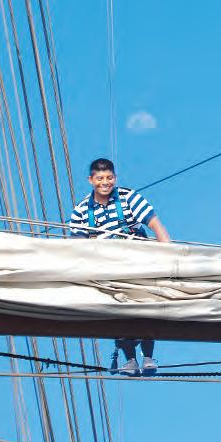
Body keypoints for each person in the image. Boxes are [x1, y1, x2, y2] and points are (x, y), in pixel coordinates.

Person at [69, 158, 171, 377]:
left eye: (109, 178)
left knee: (144, 305)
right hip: (106, 267)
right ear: (90, 180)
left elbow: (156, 226)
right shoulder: (81, 210)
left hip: (138, 260)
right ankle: (130, 360)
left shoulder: (129, 197)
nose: (105, 183)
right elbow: (75, 248)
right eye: (100, 179)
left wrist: (168, 257)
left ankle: (148, 357)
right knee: (115, 309)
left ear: (114, 178)